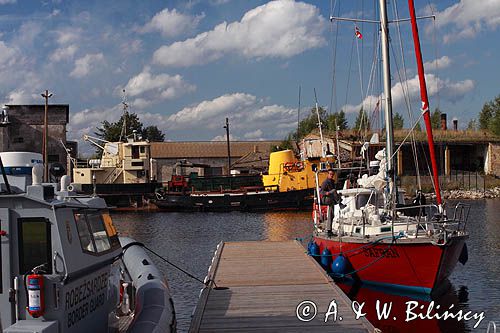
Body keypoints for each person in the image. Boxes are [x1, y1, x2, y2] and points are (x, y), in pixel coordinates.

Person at [320, 169, 341, 237]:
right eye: (330, 174)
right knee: (334, 191)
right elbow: (320, 191)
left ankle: (329, 230)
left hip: (331, 199)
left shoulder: (332, 182)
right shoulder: (325, 182)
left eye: (332, 174)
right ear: (328, 174)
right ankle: (340, 203)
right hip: (326, 199)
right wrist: (326, 193)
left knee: (331, 214)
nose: (331, 175)